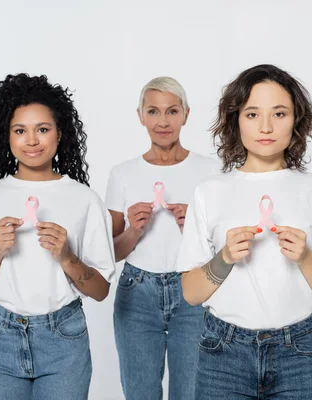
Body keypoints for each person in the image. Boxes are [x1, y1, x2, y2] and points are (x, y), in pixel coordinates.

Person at [176, 64, 312, 399]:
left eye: (280, 113)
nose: (266, 127)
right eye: (253, 114)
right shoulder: (209, 191)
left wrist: (304, 257)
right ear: (236, 120)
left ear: (297, 121)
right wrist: (225, 257)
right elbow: (191, 293)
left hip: (298, 353)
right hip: (222, 353)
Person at [0, 74, 116, 400]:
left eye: (42, 129)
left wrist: (66, 257)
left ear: (59, 135)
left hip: (64, 340)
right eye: (20, 130)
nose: (32, 140)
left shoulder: (84, 199)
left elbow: (100, 290)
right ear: (7, 137)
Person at [105, 77, 219, 399]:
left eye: (172, 111)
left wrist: (193, 228)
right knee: (140, 392)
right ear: (141, 116)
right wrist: (134, 230)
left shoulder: (211, 171)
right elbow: (110, 251)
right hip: (137, 293)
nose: (163, 121)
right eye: (153, 111)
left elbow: (225, 251)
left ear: (186, 114)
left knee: (193, 392)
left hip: (193, 288)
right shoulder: (122, 173)